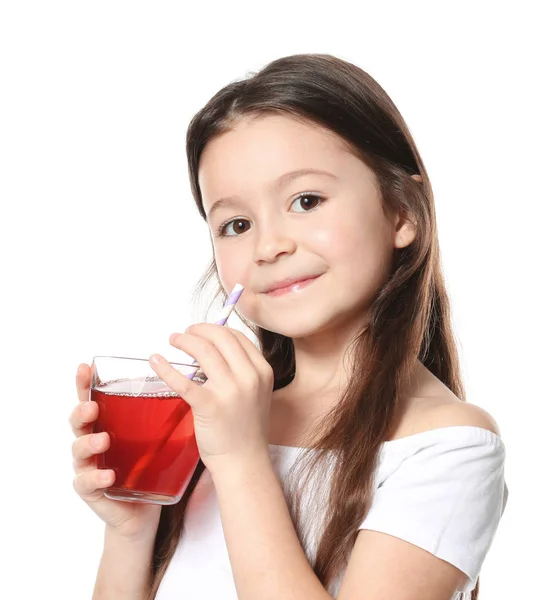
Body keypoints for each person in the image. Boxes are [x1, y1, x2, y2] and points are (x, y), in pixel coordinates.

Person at [69, 53, 509, 600]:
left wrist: (240, 460)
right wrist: (132, 530)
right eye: (236, 224)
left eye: (306, 200)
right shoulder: (212, 421)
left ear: (401, 213)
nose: (269, 245)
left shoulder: (448, 447)